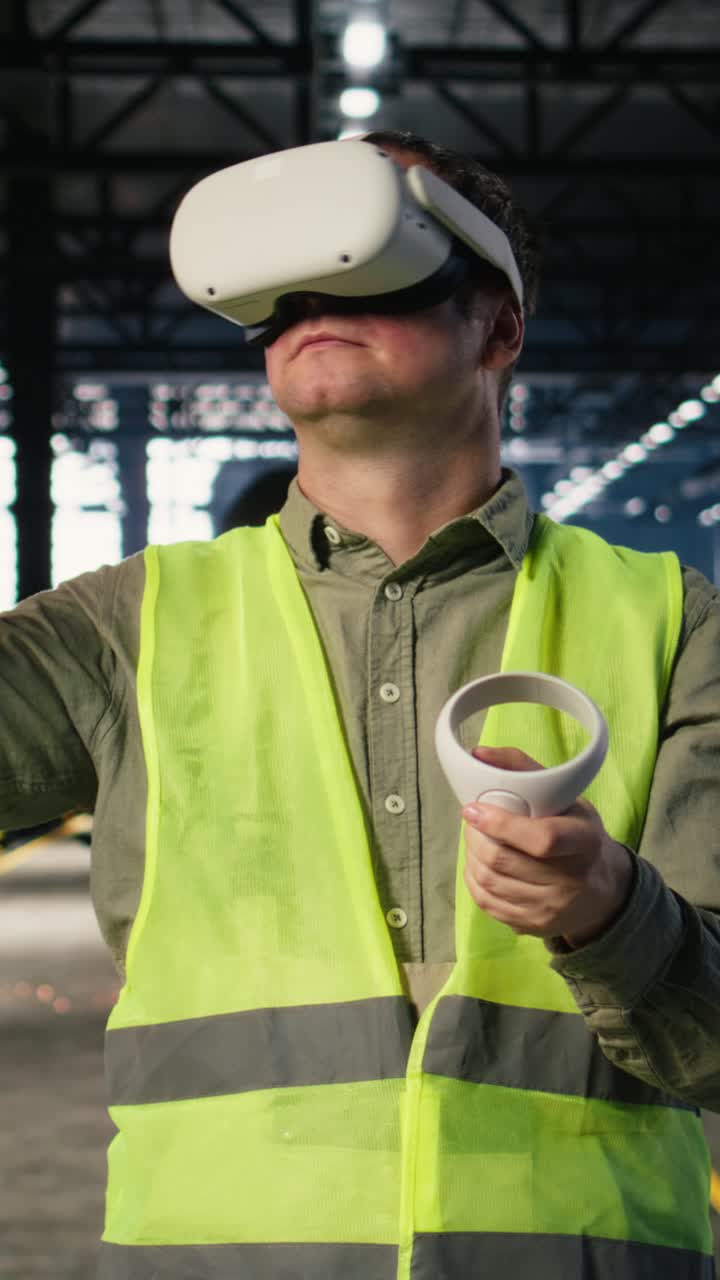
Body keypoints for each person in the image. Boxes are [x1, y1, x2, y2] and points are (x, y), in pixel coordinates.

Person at [2, 128, 720, 1279]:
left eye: (369, 254)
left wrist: (610, 908)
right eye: (278, 285)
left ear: (499, 323)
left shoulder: (675, 624)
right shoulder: (122, 630)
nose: (309, 297)